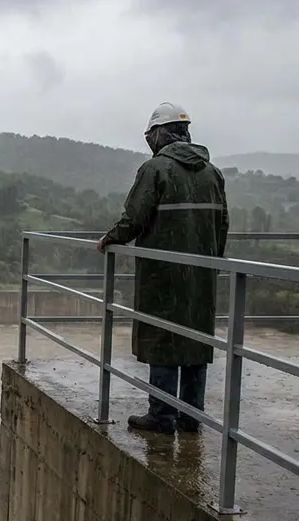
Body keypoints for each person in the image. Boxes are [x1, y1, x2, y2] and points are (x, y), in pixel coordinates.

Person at [96, 102, 230, 434]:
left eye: (149, 135)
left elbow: (135, 218)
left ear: (160, 134)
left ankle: (161, 415)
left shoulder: (155, 170)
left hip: (163, 274)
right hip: (201, 274)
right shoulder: (213, 173)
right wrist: (210, 260)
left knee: (163, 338)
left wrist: (110, 239)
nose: (148, 141)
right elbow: (222, 224)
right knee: (195, 340)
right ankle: (190, 416)